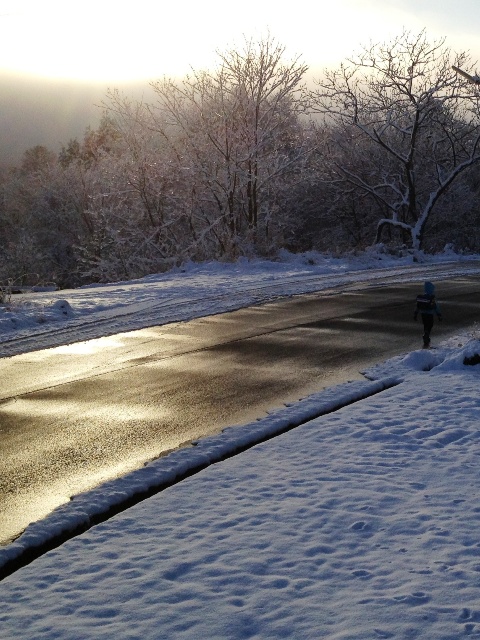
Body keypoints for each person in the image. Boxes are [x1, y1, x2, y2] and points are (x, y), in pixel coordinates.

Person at [414, 281, 442, 348]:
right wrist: (439, 315)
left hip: (422, 314)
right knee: (430, 325)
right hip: (430, 313)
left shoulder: (422, 297)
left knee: (425, 325)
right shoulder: (432, 297)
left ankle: (426, 339)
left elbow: (417, 306)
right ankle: (427, 335)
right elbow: (436, 307)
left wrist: (415, 314)